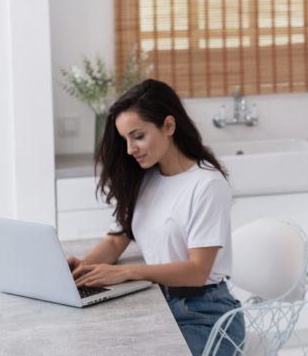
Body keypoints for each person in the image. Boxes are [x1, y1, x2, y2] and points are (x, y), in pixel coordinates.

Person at [67, 79, 244, 356]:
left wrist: (127, 272)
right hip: (158, 303)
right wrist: (82, 269)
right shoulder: (145, 178)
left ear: (169, 126)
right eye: (125, 139)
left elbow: (198, 271)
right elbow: (115, 241)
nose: (130, 149)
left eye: (138, 136)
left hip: (205, 314)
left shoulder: (206, 184)